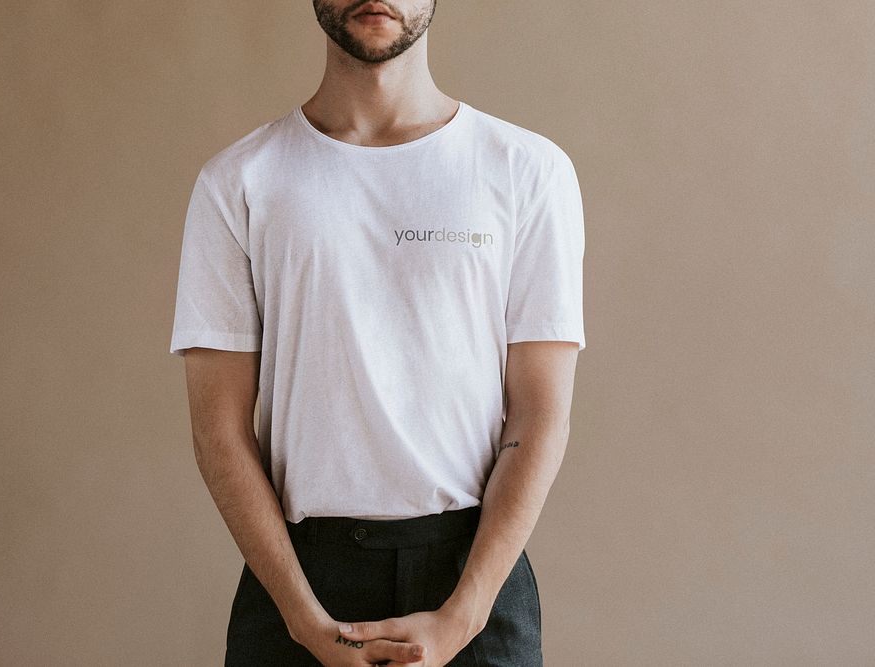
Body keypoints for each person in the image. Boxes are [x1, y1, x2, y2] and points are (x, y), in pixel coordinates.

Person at [168, 1, 586, 664]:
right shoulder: (239, 182)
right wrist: (307, 622)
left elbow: (538, 416)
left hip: (472, 576)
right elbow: (217, 429)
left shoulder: (527, 171)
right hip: (300, 577)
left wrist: (462, 618)